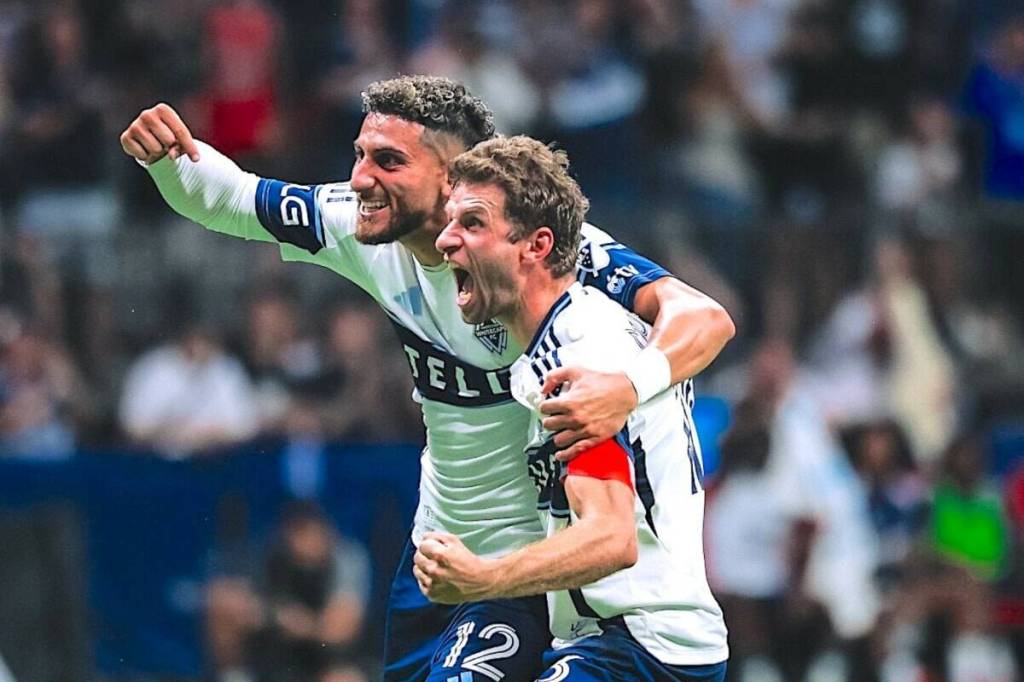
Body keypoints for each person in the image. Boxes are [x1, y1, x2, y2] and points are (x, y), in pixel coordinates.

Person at [119, 75, 735, 680]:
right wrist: (168, 161)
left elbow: (703, 317)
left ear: (454, 177)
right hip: (435, 559)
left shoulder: (554, 266)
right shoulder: (362, 229)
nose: (361, 178)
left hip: (528, 571)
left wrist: (627, 388)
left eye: (388, 161)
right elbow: (236, 198)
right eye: (360, 156)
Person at [416, 135, 728, 680]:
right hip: (645, 642)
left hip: (638, 645)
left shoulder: (574, 359)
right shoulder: (583, 329)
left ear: (535, 246)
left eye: (472, 223)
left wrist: (482, 578)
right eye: (449, 221)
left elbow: (611, 537)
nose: (445, 241)